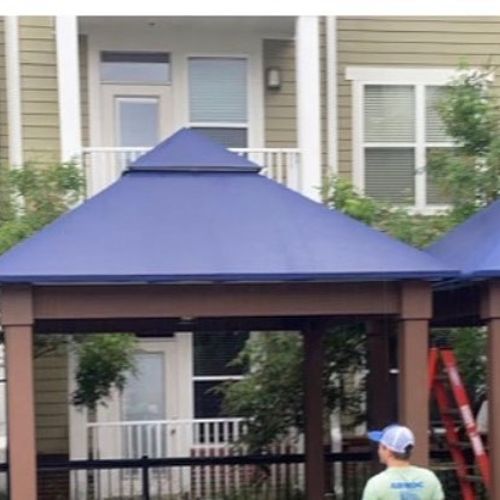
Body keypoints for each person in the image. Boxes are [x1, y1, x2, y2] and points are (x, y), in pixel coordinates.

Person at [362, 424, 444, 500]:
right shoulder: (429, 478)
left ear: (388, 451)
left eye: (380, 446)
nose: (378, 450)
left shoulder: (376, 484)